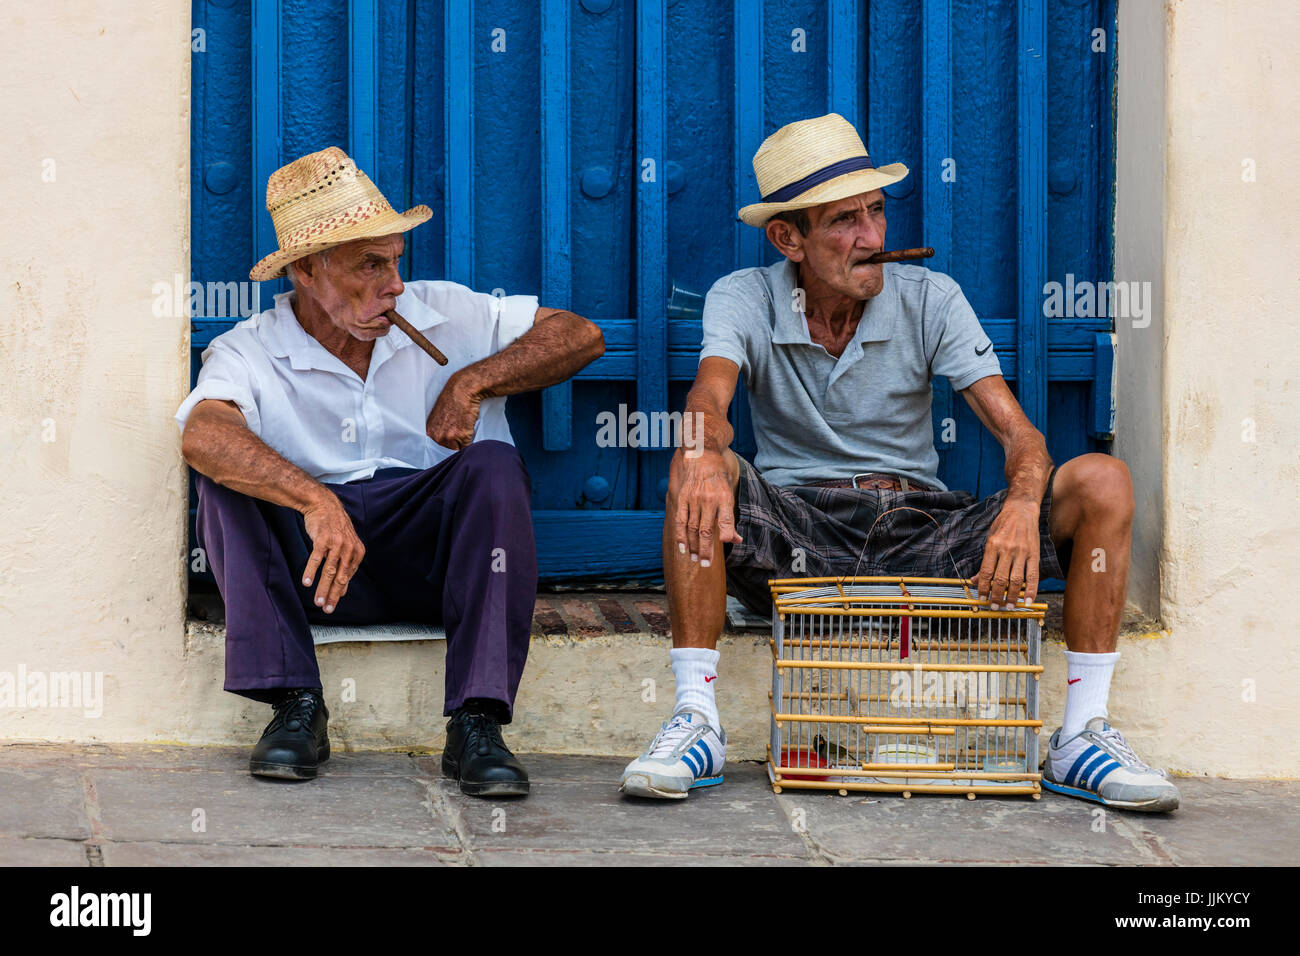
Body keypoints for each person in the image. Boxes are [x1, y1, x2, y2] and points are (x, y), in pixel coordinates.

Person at [619, 114, 1179, 812]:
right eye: (843, 222)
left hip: (924, 531)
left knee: (1103, 480)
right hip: (802, 532)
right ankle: (696, 718)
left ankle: (1082, 732)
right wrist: (702, 450)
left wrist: (1019, 505)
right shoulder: (746, 295)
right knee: (695, 463)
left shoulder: (929, 298)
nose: (873, 238)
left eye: (876, 212)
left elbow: (1022, 438)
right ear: (787, 237)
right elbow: (710, 392)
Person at [175, 146, 603, 795]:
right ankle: (295, 705)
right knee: (223, 480)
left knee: (491, 464)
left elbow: (581, 334)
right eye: (370, 265)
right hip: (318, 572)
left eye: (395, 262)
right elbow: (205, 432)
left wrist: (472, 380)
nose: (395, 285)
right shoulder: (252, 347)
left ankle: (477, 721)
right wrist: (315, 500)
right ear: (309, 271)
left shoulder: (446, 312)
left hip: (430, 566)